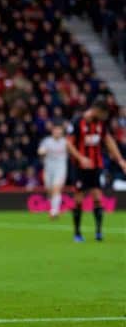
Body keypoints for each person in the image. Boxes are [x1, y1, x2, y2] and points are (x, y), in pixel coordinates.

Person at [68, 97, 126, 242]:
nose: (105, 117)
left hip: (95, 166)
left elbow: (108, 141)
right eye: (104, 113)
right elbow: (68, 144)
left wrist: (120, 160)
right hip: (80, 167)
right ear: (97, 110)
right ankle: (77, 233)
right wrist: (80, 158)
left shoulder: (101, 124)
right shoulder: (77, 121)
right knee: (79, 200)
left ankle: (98, 232)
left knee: (98, 198)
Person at [38, 120, 91, 219]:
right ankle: (53, 207)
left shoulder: (65, 142)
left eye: (60, 130)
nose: (58, 132)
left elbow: (74, 151)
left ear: (62, 132)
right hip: (48, 168)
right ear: (52, 131)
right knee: (49, 190)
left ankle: (55, 211)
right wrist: (42, 152)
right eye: (56, 130)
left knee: (56, 188)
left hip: (60, 168)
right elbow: (40, 151)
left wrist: (81, 158)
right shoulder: (46, 141)